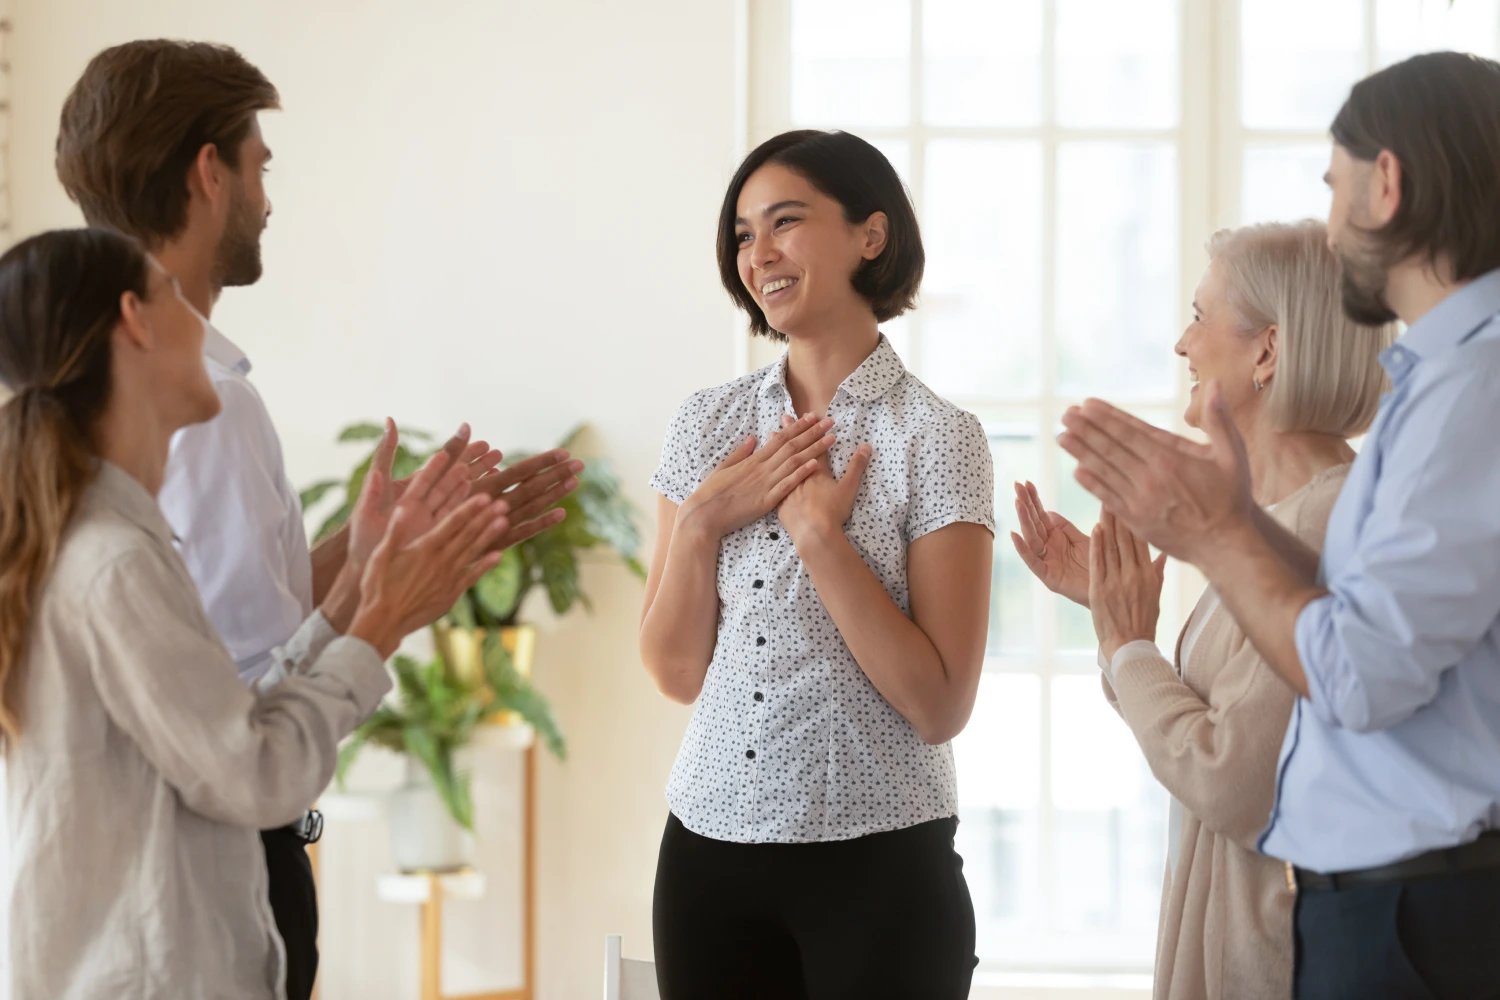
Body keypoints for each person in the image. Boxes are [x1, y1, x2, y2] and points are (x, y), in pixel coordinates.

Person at [53, 40, 583, 998]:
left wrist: (379, 551)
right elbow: (252, 713)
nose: (267, 199)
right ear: (207, 175)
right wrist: (387, 604)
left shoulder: (109, 408)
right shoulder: (200, 403)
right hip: (210, 875)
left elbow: (219, 626)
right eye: (259, 168)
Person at [1058, 52, 1500, 998]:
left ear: (1388, 184)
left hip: (1412, 919)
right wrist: (1211, 530)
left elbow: (1358, 672)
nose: (1331, 227)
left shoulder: (1474, 387)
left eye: (1333, 187)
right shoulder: (1443, 382)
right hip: (1389, 909)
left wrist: (1216, 539)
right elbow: (1352, 596)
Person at [0, 227, 512, 997]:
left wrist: (353, 591)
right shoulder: (111, 563)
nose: (204, 325)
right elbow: (258, 774)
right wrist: (380, 621)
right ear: (135, 322)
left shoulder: (108, 542)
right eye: (171, 294)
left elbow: (220, 738)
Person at [638, 129, 994, 1000]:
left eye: (785, 223)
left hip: (881, 865)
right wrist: (700, 527)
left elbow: (940, 704)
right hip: (707, 856)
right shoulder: (706, 425)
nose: (760, 254)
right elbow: (675, 671)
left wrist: (822, 542)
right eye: (743, 235)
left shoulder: (938, 437)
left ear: (870, 236)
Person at [1013, 221, 1393, 999]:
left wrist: (1129, 646)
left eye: (1198, 314)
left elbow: (1229, 779)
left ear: (1267, 351)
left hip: (1276, 959)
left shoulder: (1328, 522)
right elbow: (1205, 737)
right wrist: (1113, 617)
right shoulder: (1277, 517)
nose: (1182, 344)